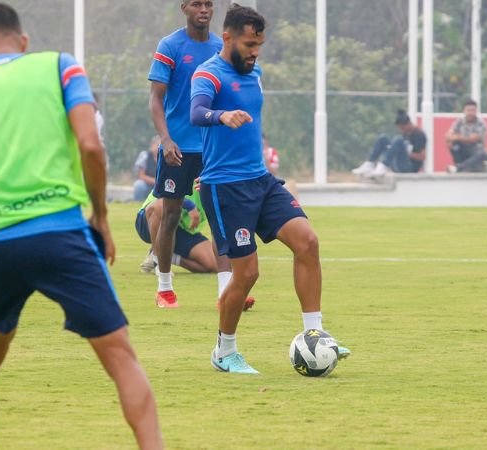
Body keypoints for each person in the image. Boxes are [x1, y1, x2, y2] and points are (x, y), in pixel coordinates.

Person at [0, 4, 162, 449]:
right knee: (120, 357)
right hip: (61, 235)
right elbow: (91, 145)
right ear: (24, 41)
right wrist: (102, 217)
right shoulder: (61, 67)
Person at [189, 4, 350, 374]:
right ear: (227, 37)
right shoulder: (208, 74)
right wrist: (220, 116)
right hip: (225, 186)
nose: (255, 51)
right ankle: (224, 351)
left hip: (261, 180)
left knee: (307, 241)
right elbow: (196, 113)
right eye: (248, 43)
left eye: (259, 44)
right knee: (246, 274)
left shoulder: (255, 71)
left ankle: (316, 335)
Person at [148, 0, 227, 308]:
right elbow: (156, 99)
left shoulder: (222, 47)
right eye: (197, 4)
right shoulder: (170, 46)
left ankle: (227, 291)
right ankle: (165, 287)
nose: (204, 9)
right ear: (184, 8)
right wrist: (165, 139)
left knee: (223, 217)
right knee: (169, 217)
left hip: (213, 147)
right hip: (178, 149)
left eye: (208, 4)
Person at [136, 184, 216, 276]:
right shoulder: (178, 169)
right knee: (160, 205)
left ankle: (169, 256)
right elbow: (163, 192)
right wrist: (189, 205)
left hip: (181, 228)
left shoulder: (214, 176)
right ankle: (159, 261)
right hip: (149, 220)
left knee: (213, 264)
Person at [351, 109, 427, 178]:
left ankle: (383, 165)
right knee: (383, 138)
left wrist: (406, 152)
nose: (402, 130)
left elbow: (422, 157)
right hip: (397, 164)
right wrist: (394, 150)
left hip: (409, 168)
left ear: (408, 124)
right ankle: (369, 164)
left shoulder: (418, 135)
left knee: (398, 139)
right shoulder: (405, 134)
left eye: (402, 128)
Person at [445, 99, 487, 173]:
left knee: (482, 153)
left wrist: (457, 137)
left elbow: (472, 139)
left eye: (473, 110)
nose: (470, 113)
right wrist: (451, 139)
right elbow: (449, 135)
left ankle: (458, 168)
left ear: (476, 111)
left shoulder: (481, 124)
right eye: (468, 110)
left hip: (474, 151)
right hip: (463, 150)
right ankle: (459, 165)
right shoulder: (459, 122)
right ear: (464, 111)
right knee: (454, 144)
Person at [133, 135, 159, 201]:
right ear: (152, 146)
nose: (159, 148)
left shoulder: (167, 158)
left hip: (161, 186)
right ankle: (138, 202)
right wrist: (155, 181)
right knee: (139, 185)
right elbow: (140, 175)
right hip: (147, 185)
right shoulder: (145, 156)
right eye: (157, 145)